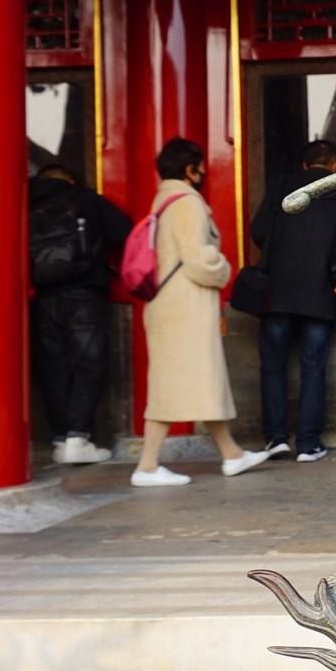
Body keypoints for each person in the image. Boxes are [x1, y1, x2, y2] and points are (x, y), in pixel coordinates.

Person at [133, 137, 273, 488]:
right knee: (174, 385)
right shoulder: (187, 203)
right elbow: (198, 258)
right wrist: (224, 267)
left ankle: (232, 454)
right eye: (199, 166)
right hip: (185, 307)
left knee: (199, 382)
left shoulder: (164, 200)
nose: (203, 172)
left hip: (173, 306)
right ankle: (147, 466)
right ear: (189, 169)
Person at [250, 138, 336, 464]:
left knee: (273, 367)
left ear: (304, 166)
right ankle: (308, 444)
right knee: (313, 367)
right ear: (335, 166)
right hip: (321, 293)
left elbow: (259, 231)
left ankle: (276, 439)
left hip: (277, 292)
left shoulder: (282, 189)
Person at [28, 161, 132, 464]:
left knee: (53, 367)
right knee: (88, 363)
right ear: (71, 180)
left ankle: (60, 439)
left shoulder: (25, 206)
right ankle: (78, 437)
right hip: (85, 292)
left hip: (43, 296)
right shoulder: (86, 199)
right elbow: (123, 231)